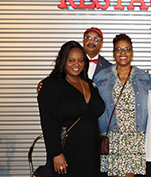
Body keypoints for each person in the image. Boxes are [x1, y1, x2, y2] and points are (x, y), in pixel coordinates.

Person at [38, 41, 105, 177]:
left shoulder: (89, 83)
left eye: (80, 61)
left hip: (91, 153)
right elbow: (48, 123)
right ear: (63, 61)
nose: (77, 64)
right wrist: (56, 153)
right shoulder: (52, 85)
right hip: (67, 153)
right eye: (71, 60)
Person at [95, 34, 151, 177]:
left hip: (135, 135)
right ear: (113, 53)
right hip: (112, 136)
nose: (123, 53)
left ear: (132, 52)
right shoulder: (102, 76)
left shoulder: (143, 77)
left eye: (127, 49)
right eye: (118, 49)